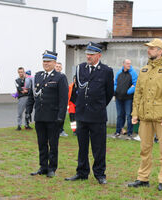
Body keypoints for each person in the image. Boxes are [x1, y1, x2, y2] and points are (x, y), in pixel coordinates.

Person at [128, 38, 162, 192]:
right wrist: (135, 113)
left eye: (152, 48)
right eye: (148, 48)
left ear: (160, 51)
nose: (148, 50)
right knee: (145, 149)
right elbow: (138, 94)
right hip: (145, 116)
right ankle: (143, 178)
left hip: (161, 117)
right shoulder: (144, 70)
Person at [65, 42, 114, 185]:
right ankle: (82, 172)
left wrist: (98, 106)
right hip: (82, 114)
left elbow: (109, 93)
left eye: (91, 54)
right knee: (82, 146)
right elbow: (77, 89)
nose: (88, 56)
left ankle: (100, 173)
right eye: (87, 54)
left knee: (98, 147)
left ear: (99, 55)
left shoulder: (106, 71)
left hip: (97, 115)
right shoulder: (80, 68)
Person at [26, 50, 68, 178]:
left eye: (48, 61)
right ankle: (43, 166)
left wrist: (61, 116)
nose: (46, 64)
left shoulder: (60, 77)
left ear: (55, 62)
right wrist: (28, 110)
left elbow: (63, 98)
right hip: (40, 116)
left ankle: (52, 168)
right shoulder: (38, 76)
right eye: (44, 61)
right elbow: (32, 95)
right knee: (41, 143)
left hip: (53, 117)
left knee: (53, 144)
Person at [113, 59, 138, 140]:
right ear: (123, 64)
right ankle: (118, 132)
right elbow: (115, 83)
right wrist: (116, 90)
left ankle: (130, 133)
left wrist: (128, 92)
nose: (129, 65)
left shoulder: (133, 73)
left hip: (128, 98)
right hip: (118, 98)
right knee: (120, 115)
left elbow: (136, 84)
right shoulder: (119, 72)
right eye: (127, 63)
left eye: (130, 63)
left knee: (128, 115)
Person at [55, 62, 68, 137]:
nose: (58, 68)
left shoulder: (62, 77)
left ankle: (61, 130)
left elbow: (65, 90)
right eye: (57, 66)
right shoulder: (52, 76)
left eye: (59, 67)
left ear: (61, 68)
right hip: (53, 101)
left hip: (61, 100)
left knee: (61, 116)